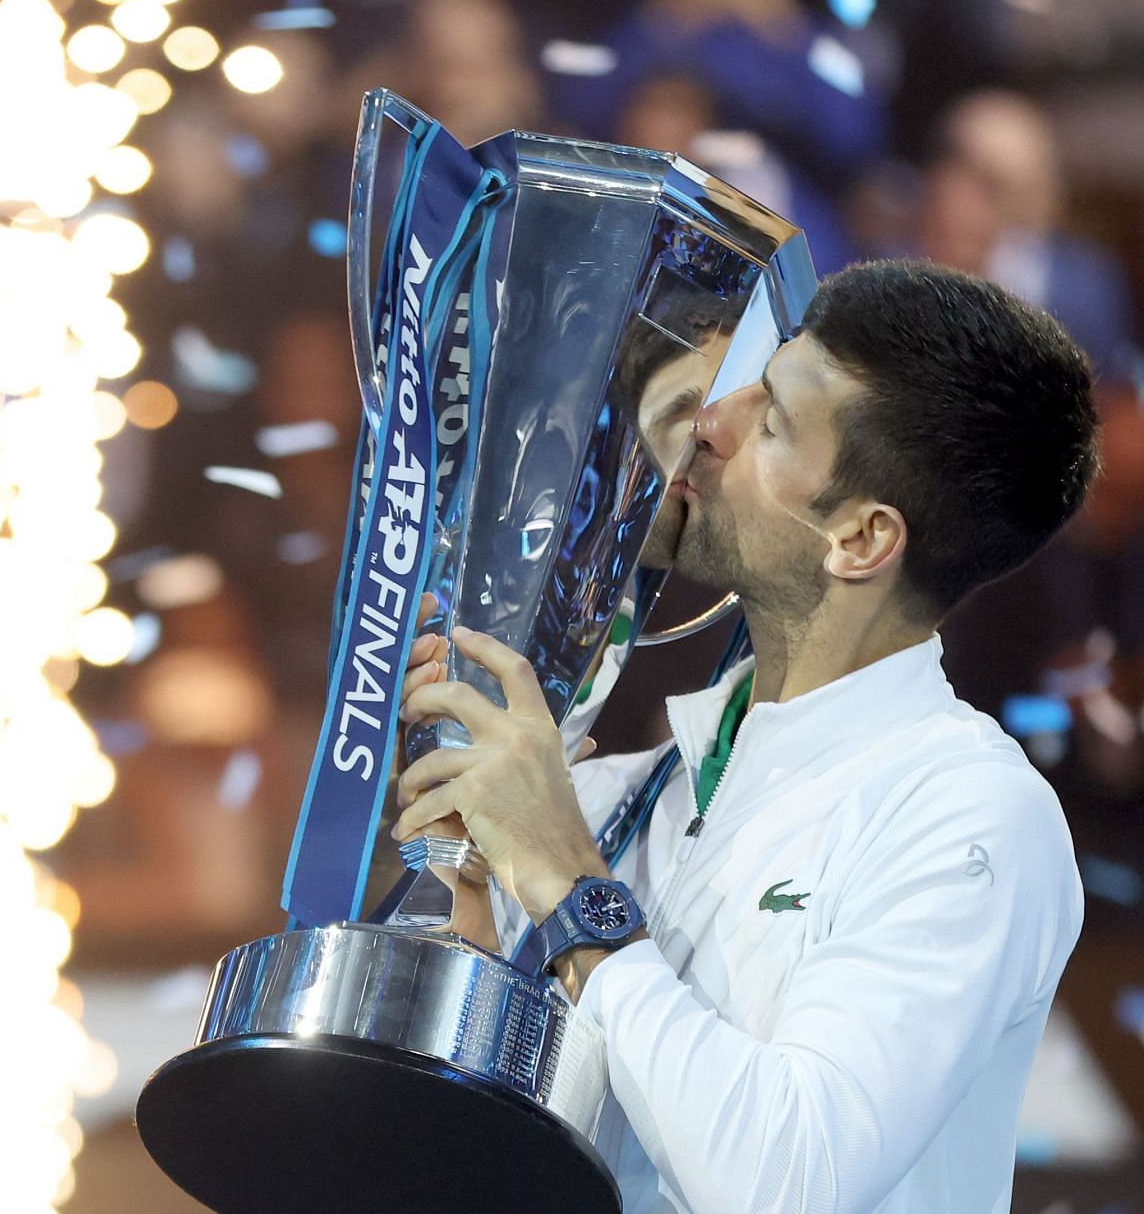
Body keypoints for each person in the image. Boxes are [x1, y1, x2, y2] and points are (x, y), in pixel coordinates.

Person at [394, 260, 1098, 1212]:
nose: (709, 427)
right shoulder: (620, 795)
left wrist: (565, 883)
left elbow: (788, 1182)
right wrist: (471, 886)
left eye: (768, 421)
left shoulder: (970, 816)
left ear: (859, 539)